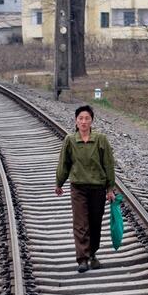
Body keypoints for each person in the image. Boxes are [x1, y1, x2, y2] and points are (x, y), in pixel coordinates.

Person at [55, 105, 116, 273]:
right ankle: (82, 259)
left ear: (91, 121)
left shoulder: (101, 140)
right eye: (80, 118)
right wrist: (59, 183)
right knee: (81, 224)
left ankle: (92, 254)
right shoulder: (70, 140)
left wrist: (110, 188)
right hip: (78, 188)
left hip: (97, 188)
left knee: (95, 223)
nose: (83, 121)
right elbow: (64, 164)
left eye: (87, 118)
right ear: (76, 121)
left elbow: (109, 164)